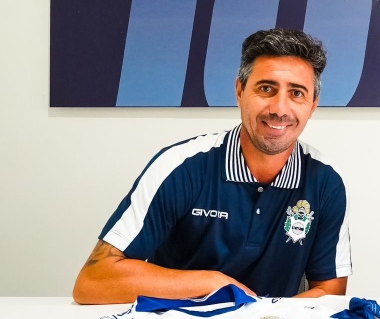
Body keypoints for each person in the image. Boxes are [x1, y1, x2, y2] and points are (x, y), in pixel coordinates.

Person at [73, 29, 351, 304]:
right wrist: (213, 283)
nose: (279, 108)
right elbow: (93, 280)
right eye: (266, 89)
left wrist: (262, 315)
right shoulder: (181, 166)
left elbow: (330, 292)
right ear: (240, 91)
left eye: (297, 93)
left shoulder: (326, 181)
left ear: (313, 105)